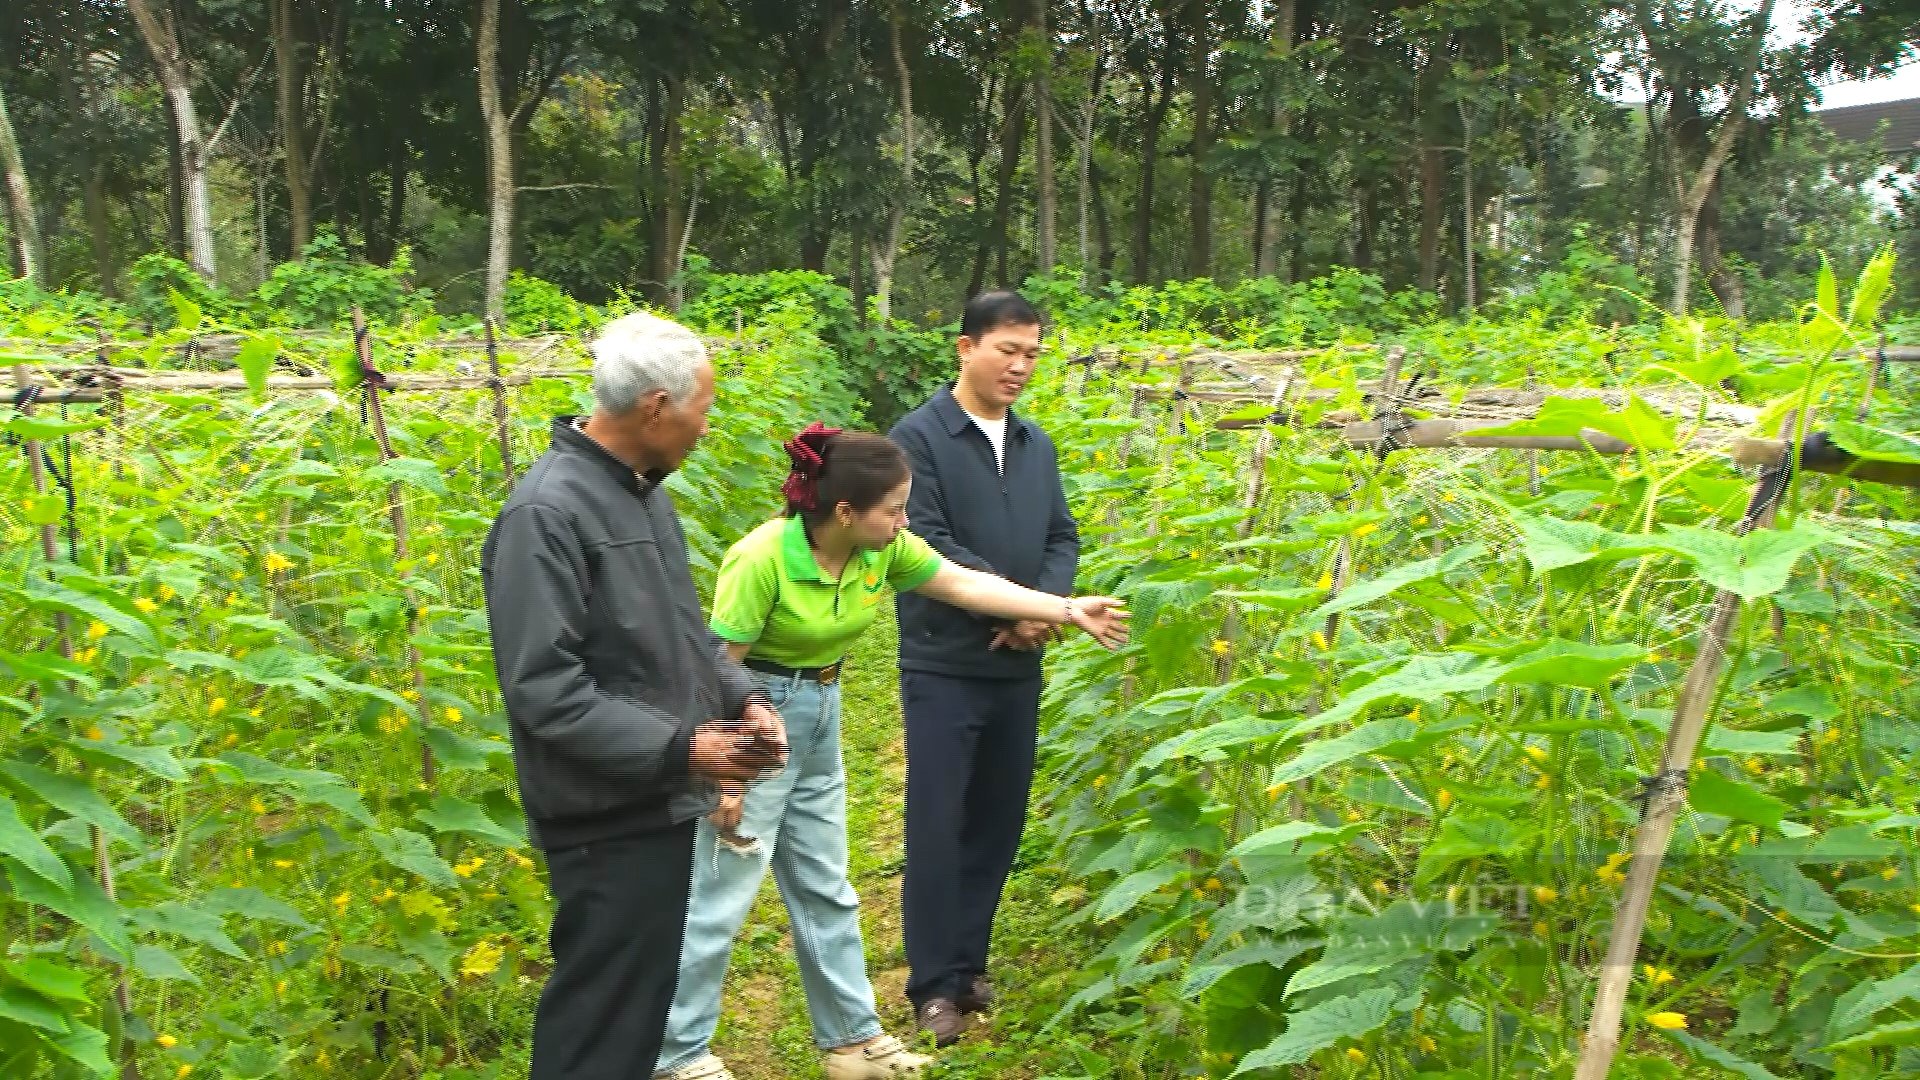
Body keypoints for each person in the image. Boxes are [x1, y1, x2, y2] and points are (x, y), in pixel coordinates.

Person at [653, 425, 1127, 1080]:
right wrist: (726, 776)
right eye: (895, 508)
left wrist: (1068, 608)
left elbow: (964, 585)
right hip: (756, 719)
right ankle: (677, 1055)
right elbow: (716, 669)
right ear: (845, 512)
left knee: (826, 884)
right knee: (722, 892)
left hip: (821, 711)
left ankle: (851, 1043)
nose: (905, 520)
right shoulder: (761, 558)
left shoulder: (883, 550)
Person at [481, 312, 789, 1080]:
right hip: (600, 813)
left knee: (634, 1014)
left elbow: (684, 638)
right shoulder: (546, 514)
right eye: (703, 409)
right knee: (598, 1021)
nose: (706, 427)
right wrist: (684, 748)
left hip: (653, 797)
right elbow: (544, 688)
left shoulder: (642, 497)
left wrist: (744, 698)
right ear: (655, 406)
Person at [888, 290, 1084, 1045]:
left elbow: (1062, 536)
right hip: (944, 661)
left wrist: (1046, 605)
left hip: (1017, 667)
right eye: (1008, 349)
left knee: (996, 821)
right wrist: (1016, 609)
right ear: (965, 348)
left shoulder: (1035, 444)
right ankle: (932, 985)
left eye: (1033, 353)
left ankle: (969, 963)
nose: (1021, 366)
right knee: (939, 821)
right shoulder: (920, 439)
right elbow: (926, 544)